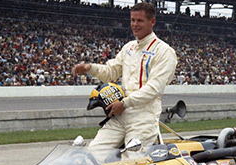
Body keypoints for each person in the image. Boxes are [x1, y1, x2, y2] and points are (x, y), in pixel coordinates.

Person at [72, 2, 177, 152]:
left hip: (143, 117)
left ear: (152, 21)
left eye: (140, 20)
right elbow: (110, 72)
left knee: (132, 162)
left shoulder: (164, 51)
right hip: (120, 113)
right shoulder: (129, 47)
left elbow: (155, 88)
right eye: (132, 20)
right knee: (93, 154)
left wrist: (125, 103)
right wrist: (90, 68)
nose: (135, 24)